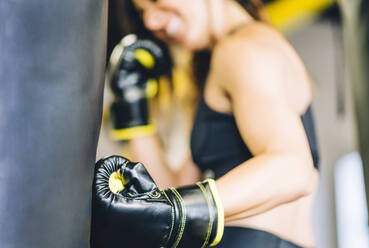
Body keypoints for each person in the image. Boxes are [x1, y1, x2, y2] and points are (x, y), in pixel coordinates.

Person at [93, 0, 320, 247]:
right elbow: (172, 193)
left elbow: (294, 168)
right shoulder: (221, 62)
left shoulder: (244, 48)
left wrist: (177, 209)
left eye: (156, 1)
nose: (151, 21)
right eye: (143, 12)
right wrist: (133, 111)